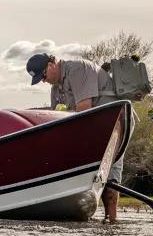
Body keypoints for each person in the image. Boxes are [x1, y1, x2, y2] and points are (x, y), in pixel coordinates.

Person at [26, 52, 123, 222]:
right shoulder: (55, 89)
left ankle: (112, 221)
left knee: (111, 176)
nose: (44, 81)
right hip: (89, 132)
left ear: (51, 65)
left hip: (113, 126)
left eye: (43, 76)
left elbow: (85, 109)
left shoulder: (79, 69)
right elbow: (54, 118)